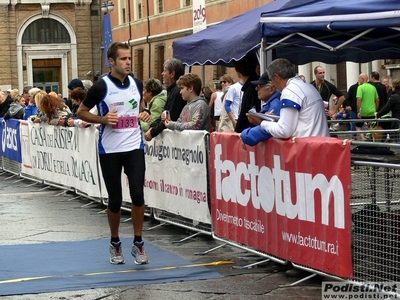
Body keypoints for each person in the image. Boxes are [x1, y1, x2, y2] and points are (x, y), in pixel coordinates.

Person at [77, 42, 149, 265]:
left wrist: (145, 112)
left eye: (129, 58)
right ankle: (115, 242)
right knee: (115, 199)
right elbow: (80, 111)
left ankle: (138, 243)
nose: (128, 62)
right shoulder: (101, 86)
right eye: (124, 59)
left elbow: (141, 104)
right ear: (112, 61)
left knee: (138, 194)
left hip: (134, 146)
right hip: (110, 149)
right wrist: (101, 119)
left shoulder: (136, 83)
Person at [240, 58, 329, 147]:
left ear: (277, 77)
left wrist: (261, 122)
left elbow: (284, 130)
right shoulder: (307, 86)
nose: (273, 85)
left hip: (308, 149)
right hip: (320, 145)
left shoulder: (290, 91)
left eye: (272, 80)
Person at [144, 58, 186, 141]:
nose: (162, 74)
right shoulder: (171, 90)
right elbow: (164, 114)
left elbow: (169, 116)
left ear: (172, 74)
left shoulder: (177, 91)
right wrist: (153, 126)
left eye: (165, 70)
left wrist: (152, 132)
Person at [233, 53, 260, 133]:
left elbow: (245, 116)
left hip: (250, 135)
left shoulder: (251, 88)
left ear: (237, 69)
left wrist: (238, 130)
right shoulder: (256, 84)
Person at [356, 73, 379, 141]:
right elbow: (377, 100)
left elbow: (359, 99)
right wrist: (376, 109)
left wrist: (358, 111)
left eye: (359, 79)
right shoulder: (373, 87)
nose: (358, 80)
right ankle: (373, 139)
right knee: (371, 126)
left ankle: (364, 139)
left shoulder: (360, 87)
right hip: (372, 111)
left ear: (362, 79)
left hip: (363, 112)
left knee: (358, 126)